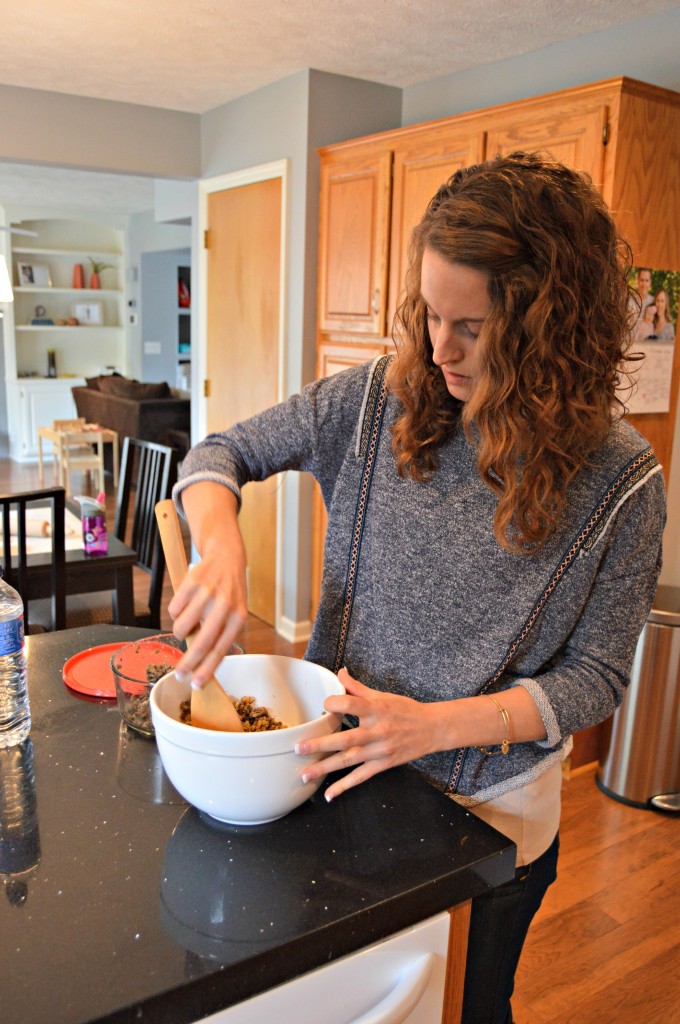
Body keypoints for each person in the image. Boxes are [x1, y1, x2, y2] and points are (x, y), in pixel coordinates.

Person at [169, 152, 665, 1024]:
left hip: (489, 818)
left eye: (473, 326)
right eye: (431, 315)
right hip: (335, 786)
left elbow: (597, 678)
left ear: (550, 330)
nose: (440, 349)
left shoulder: (621, 479)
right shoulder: (377, 400)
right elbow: (219, 456)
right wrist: (219, 545)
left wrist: (428, 727)